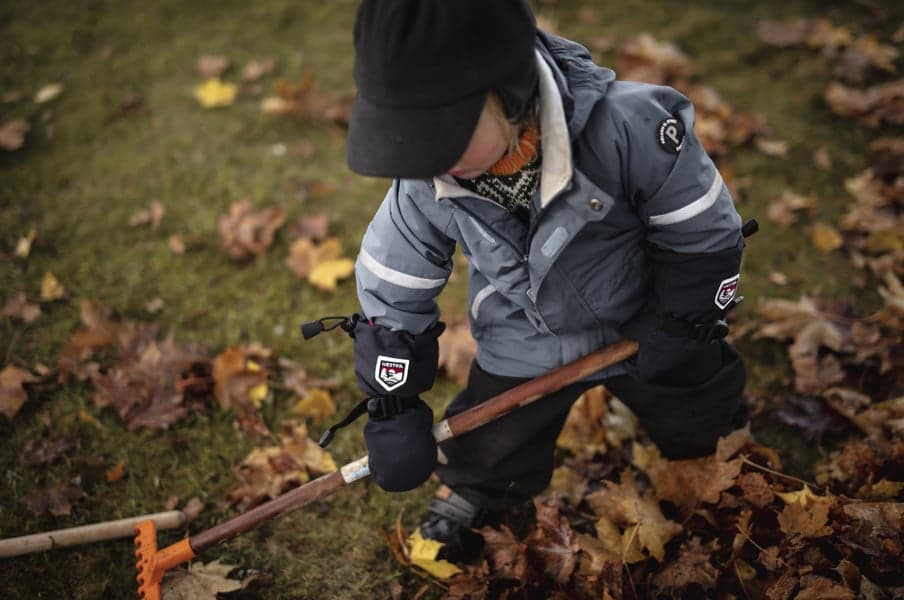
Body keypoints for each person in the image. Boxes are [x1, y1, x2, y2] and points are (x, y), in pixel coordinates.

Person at [337, 0, 751, 563]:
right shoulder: (423, 181)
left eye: (441, 132)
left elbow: (700, 226)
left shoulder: (630, 125)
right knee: (496, 431)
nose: (423, 154)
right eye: (404, 135)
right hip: (526, 327)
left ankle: (720, 454)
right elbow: (393, 280)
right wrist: (395, 403)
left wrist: (686, 315)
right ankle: (480, 490)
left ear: (510, 91)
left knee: (694, 393)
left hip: (651, 311)